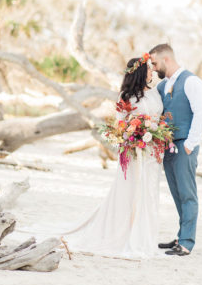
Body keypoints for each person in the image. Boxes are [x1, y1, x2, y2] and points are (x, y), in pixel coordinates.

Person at [64, 53, 164, 259]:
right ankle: (125, 233)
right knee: (131, 191)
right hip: (134, 151)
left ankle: (145, 236)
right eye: (148, 69)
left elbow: (159, 118)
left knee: (149, 191)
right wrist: (132, 135)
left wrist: (157, 134)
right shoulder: (126, 97)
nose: (152, 71)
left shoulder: (155, 93)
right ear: (139, 72)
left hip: (153, 152)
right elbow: (121, 124)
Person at [149, 43, 202, 256]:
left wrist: (190, 145)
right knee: (176, 194)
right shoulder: (162, 87)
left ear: (166, 59)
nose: (153, 68)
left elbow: (200, 113)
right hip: (167, 147)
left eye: (154, 63)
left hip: (185, 146)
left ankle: (186, 242)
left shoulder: (192, 81)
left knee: (187, 194)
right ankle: (180, 235)